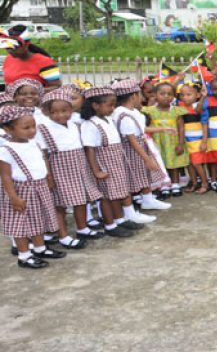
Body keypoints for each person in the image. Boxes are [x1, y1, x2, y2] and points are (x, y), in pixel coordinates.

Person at [37, 89, 104, 247]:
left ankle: (82, 228)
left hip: (78, 167)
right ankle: (63, 236)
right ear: (47, 112)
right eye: (55, 112)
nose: (60, 115)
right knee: (59, 204)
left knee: (81, 200)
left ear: (71, 109)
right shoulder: (44, 128)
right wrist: (49, 176)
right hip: (59, 170)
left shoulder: (75, 123)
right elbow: (44, 155)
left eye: (64, 110)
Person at [0, 106, 64, 269]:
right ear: (8, 129)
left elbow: (40, 161)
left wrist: (48, 177)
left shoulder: (33, 143)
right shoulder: (6, 150)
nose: (31, 131)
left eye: (33, 126)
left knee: (38, 219)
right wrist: (13, 197)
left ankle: (40, 248)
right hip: (20, 191)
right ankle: (24, 256)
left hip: (39, 186)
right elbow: (5, 176)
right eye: (26, 128)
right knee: (21, 224)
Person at [80, 87, 139, 238]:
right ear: (95, 106)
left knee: (117, 193)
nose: (113, 108)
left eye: (114, 105)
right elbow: (90, 149)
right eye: (109, 105)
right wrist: (96, 171)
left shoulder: (107, 120)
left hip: (116, 161)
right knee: (106, 196)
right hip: (104, 163)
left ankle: (119, 219)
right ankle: (109, 225)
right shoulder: (90, 124)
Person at [111, 80, 171, 217]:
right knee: (134, 178)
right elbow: (132, 139)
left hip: (140, 147)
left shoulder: (132, 112)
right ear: (133, 96)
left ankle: (148, 199)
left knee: (144, 175)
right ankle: (129, 210)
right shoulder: (123, 114)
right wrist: (147, 159)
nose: (141, 97)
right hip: (133, 151)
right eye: (139, 94)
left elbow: (141, 129)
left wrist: (162, 129)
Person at [142, 82, 190, 196]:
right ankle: (163, 183)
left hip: (173, 141)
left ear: (174, 96)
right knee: (160, 162)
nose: (166, 96)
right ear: (155, 95)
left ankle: (175, 183)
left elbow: (181, 128)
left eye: (169, 94)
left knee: (174, 162)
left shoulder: (176, 111)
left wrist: (181, 143)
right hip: (157, 142)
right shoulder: (149, 111)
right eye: (162, 93)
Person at [0, 25, 62, 90]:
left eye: (13, 46)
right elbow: (8, 84)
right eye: (7, 47)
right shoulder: (8, 59)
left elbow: (56, 87)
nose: (9, 50)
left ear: (26, 45)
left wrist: (31, 93)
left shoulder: (45, 62)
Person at [177, 82, 209, 194]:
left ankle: (205, 183)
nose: (185, 97)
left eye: (188, 94)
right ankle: (195, 183)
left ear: (197, 95)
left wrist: (204, 141)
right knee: (189, 163)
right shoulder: (180, 107)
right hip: (187, 140)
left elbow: (198, 112)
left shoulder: (200, 106)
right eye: (182, 95)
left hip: (198, 140)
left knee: (197, 163)